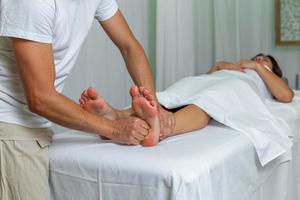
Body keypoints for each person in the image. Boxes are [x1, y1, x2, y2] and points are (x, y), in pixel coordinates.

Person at [0, 0, 173, 199]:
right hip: (10, 123)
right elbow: (40, 99)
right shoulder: (32, 3)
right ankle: (112, 115)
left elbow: (129, 46)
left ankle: (115, 113)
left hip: (35, 123)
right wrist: (113, 128)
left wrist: (154, 106)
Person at [79, 53, 294, 144]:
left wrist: (258, 66)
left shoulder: (264, 77)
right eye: (256, 57)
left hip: (235, 87)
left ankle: (163, 129)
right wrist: (221, 65)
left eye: (264, 59)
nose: (257, 59)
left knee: (206, 103)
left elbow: (286, 95)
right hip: (209, 81)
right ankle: (116, 115)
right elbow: (211, 73)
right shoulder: (235, 66)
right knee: (171, 96)